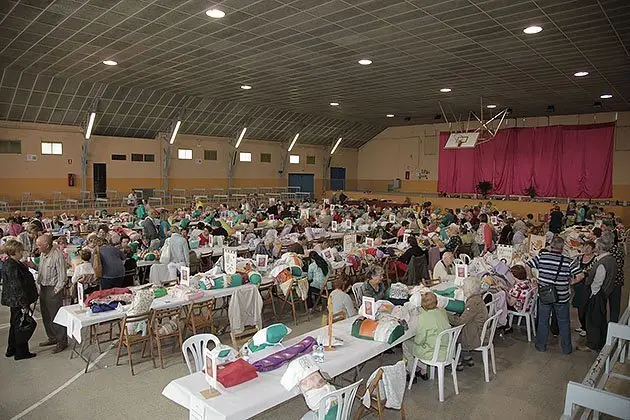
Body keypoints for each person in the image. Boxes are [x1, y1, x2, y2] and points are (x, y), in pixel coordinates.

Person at [527, 235, 580, 354]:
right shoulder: (568, 261)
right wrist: (571, 282)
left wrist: (532, 278)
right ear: (562, 248)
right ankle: (566, 349)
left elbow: (527, 265)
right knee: (564, 322)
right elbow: (580, 275)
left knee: (543, 321)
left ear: (551, 246)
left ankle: (541, 346)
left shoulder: (542, 257)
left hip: (545, 295)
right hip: (562, 296)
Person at [577, 233, 618, 352]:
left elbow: (597, 282)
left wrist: (591, 294)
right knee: (600, 318)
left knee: (593, 320)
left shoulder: (602, 263)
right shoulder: (611, 260)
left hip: (597, 294)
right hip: (605, 292)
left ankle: (592, 344)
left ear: (599, 247)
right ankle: (601, 341)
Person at [30, 234, 68, 353]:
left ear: (47, 245)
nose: (37, 248)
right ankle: (52, 337)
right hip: (43, 287)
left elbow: (62, 277)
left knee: (56, 316)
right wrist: (33, 266)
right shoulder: (43, 254)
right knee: (46, 315)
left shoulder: (57, 256)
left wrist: (55, 292)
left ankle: (62, 341)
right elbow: (42, 270)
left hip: (53, 289)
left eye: (39, 245)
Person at [1, 240, 39, 360]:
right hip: (18, 300)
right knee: (21, 326)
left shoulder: (12, 262)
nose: (22, 252)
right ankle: (21, 352)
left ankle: (11, 349)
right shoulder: (12, 266)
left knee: (15, 324)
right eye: (20, 251)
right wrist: (24, 304)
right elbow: (17, 286)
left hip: (15, 299)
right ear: (14, 251)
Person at [405, 292, 450, 381]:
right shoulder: (443, 311)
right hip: (447, 350)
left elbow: (419, 341)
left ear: (422, 304)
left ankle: (411, 373)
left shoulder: (423, 317)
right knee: (427, 342)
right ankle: (422, 371)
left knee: (406, 343)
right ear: (436, 302)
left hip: (432, 353)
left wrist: (412, 338)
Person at [448, 277, 487, 370]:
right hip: (477, 329)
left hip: (474, 335)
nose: (462, 287)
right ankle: (466, 356)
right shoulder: (477, 298)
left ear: (469, 289)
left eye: (464, 286)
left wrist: (445, 314)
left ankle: (456, 361)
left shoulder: (473, 302)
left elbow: (460, 322)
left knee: (450, 332)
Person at [572, 241, 596, 337]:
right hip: (578, 285)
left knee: (585, 307)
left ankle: (586, 327)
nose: (586, 249)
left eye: (589, 248)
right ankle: (582, 325)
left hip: (587, 286)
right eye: (585, 247)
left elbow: (590, 272)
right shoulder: (578, 258)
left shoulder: (595, 260)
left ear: (593, 249)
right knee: (579, 306)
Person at [608, 236, 625, 323]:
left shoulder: (608, 252)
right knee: (615, 305)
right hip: (617, 280)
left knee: (604, 304)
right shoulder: (619, 250)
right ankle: (613, 323)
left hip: (610, 281)